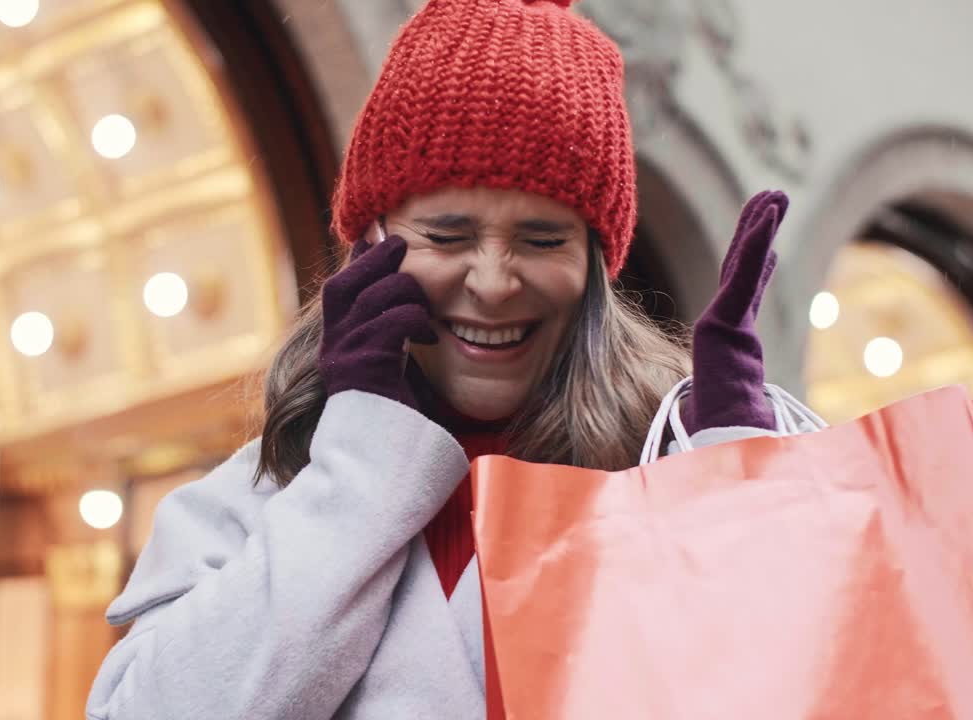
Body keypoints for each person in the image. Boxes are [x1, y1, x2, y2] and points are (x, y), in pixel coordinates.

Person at [87, 0, 789, 717]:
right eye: (448, 236)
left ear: (594, 267)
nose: (491, 282)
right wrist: (359, 468)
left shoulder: (669, 472)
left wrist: (742, 491)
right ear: (372, 248)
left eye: (544, 240)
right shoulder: (251, 499)